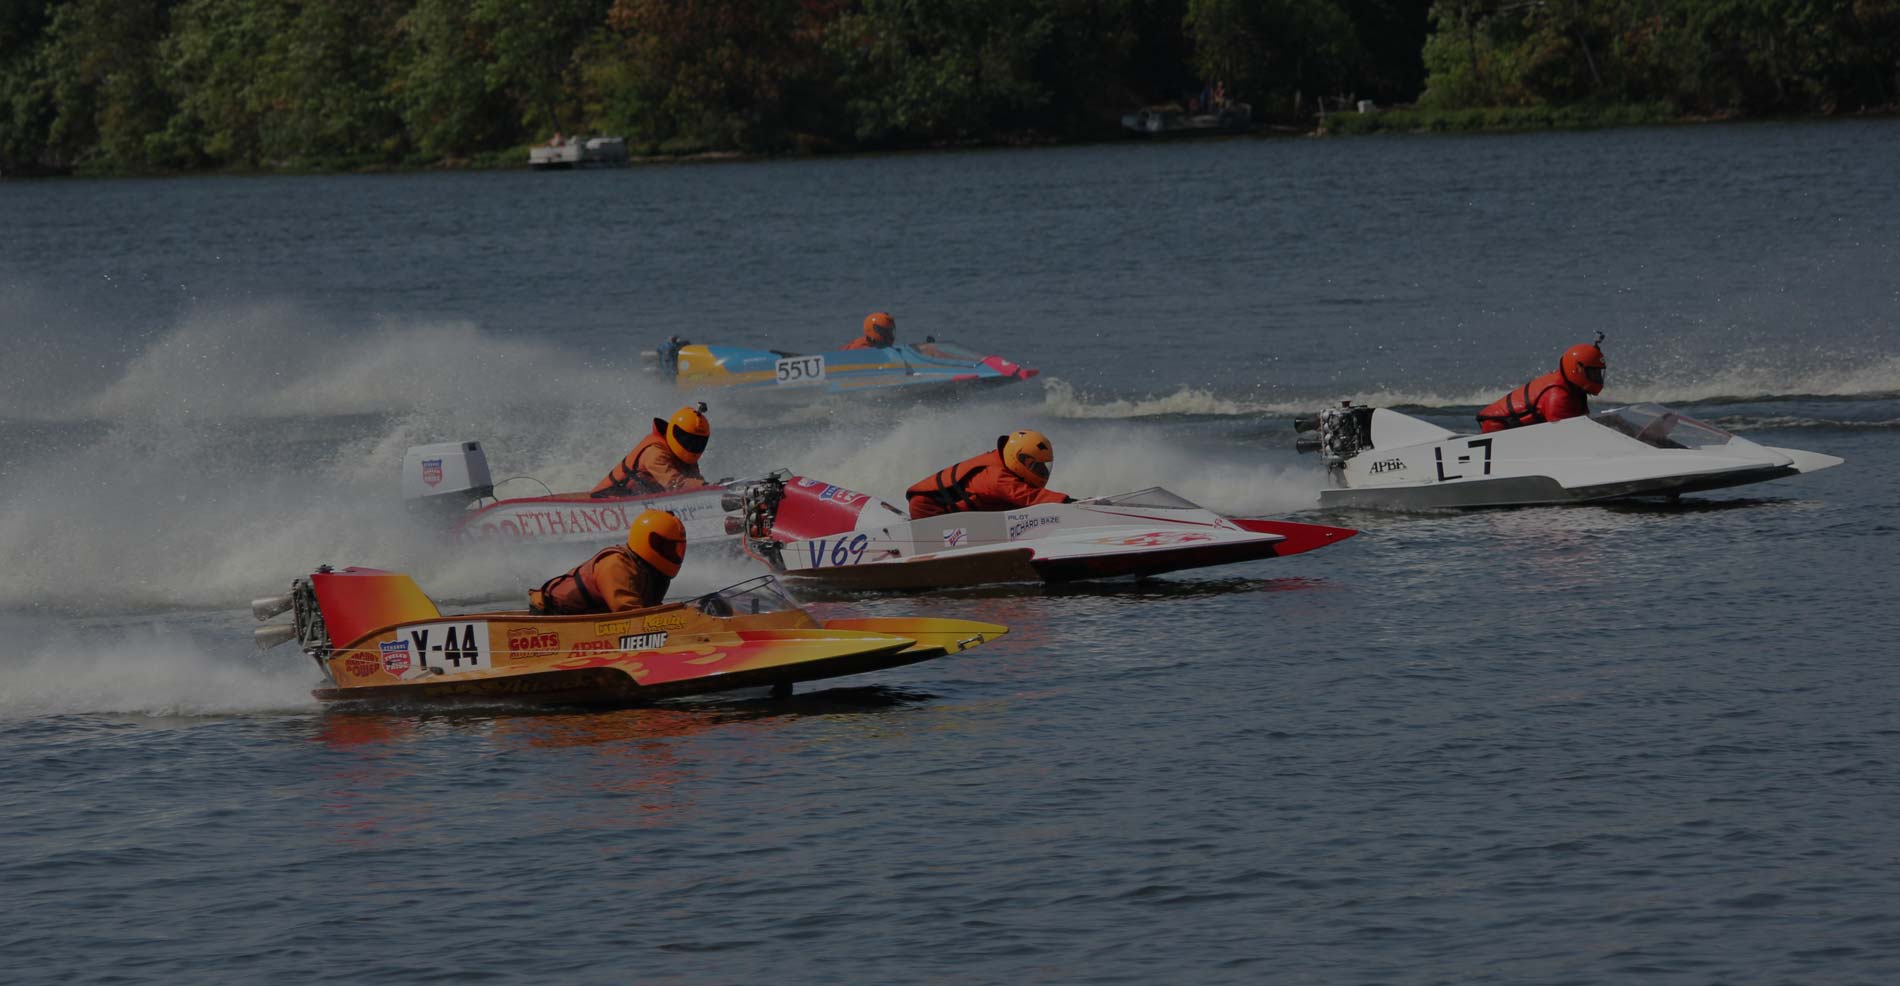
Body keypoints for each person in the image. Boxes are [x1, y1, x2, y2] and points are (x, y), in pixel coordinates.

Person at [528, 509, 685, 614]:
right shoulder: (617, 564)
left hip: (587, 617)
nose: (671, 553)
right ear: (646, 540)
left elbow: (650, 611)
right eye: (665, 547)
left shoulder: (652, 572)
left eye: (674, 549)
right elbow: (630, 613)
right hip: (553, 614)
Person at [906, 430, 1074, 519]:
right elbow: (1028, 496)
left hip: (948, 513)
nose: (1041, 472)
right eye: (1035, 466)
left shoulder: (1002, 462)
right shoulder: (995, 476)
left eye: (1043, 467)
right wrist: (1068, 502)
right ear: (1018, 458)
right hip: (928, 509)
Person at [1477, 339, 1607, 433]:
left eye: (1598, 373)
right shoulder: (1558, 395)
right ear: (1577, 369)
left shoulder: (1572, 389)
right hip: (1498, 427)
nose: (1597, 377)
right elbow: (1564, 434)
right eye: (1593, 373)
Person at [592, 403, 712, 497]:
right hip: (608, 500)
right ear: (673, 431)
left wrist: (712, 487)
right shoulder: (655, 452)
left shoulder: (684, 456)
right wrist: (705, 486)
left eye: (698, 441)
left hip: (639, 501)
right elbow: (675, 484)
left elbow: (695, 483)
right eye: (686, 438)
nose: (692, 444)